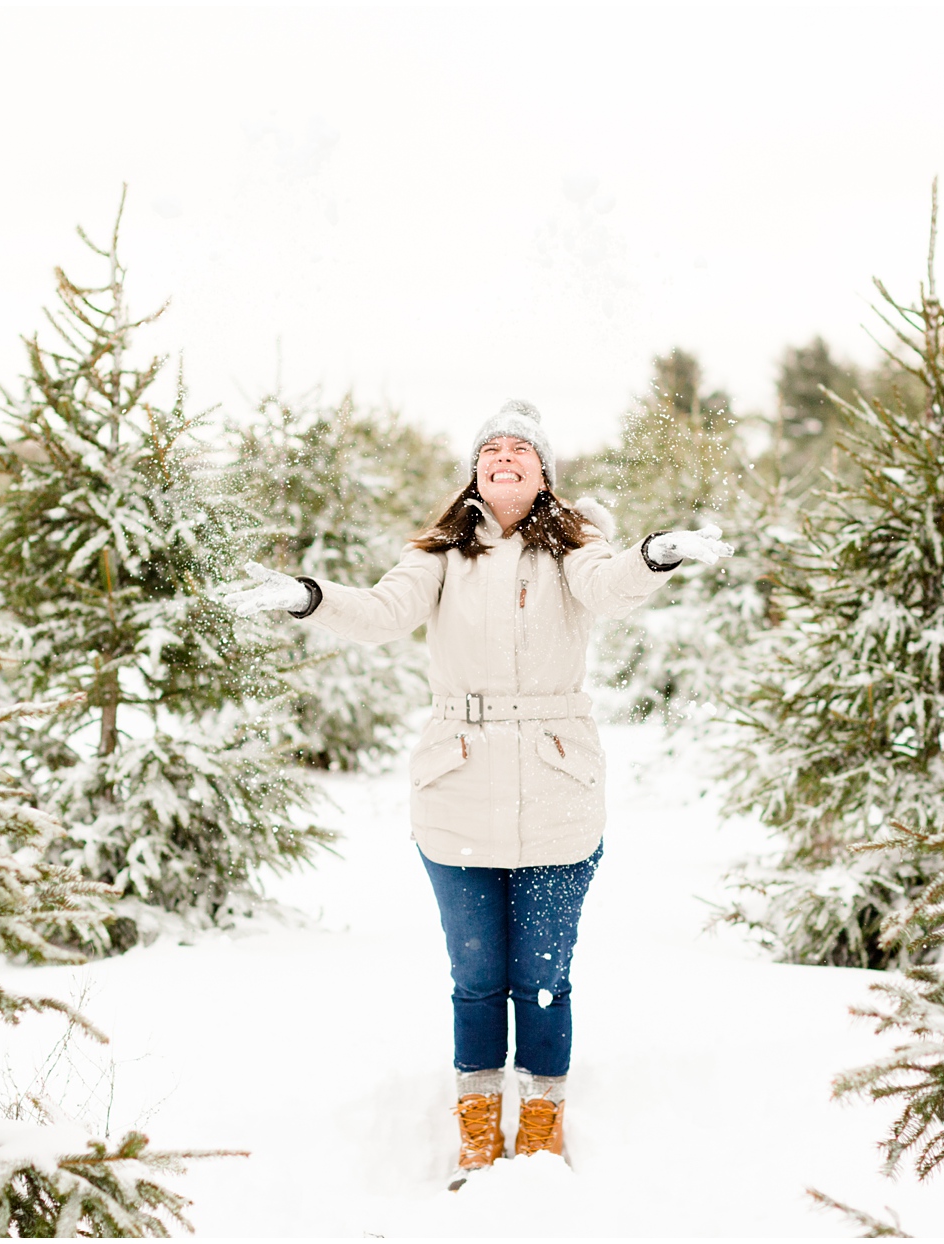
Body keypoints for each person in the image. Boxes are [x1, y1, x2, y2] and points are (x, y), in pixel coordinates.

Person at [225, 399, 730, 1188]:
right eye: (490, 448)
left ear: (543, 472)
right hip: (457, 785)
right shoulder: (440, 552)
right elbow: (383, 612)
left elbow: (610, 589)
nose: (504, 456)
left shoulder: (575, 544)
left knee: (542, 974)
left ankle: (539, 1122)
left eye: (520, 449)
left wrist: (655, 554)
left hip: (557, 781)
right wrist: (310, 598)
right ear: (475, 468)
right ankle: (477, 1124)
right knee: (475, 975)